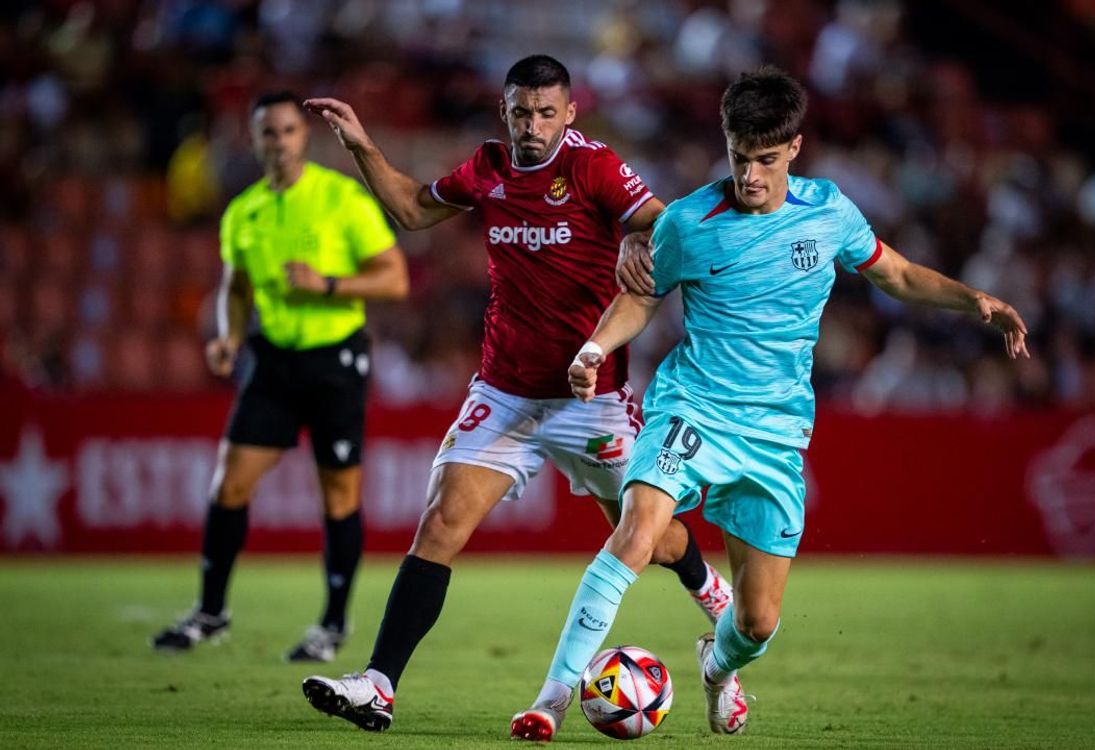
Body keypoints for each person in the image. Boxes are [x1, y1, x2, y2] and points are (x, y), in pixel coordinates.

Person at [510, 66, 1030, 741]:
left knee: (755, 623)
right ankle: (550, 699)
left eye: (763, 159)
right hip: (692, 407)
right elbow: (641, 297)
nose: (749, 175)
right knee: (636, 533)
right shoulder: (691, 222)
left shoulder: (831, 212)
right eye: (737, 157)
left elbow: (896, 274)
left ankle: (717, 667)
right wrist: (591, 351)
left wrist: (974, 301)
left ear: (793, 148)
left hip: (775, 433)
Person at [299, 55, 734, 732]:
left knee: (645, 536)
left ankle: (710, 591)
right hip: (504, 393)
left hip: (590, 397)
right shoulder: (489, 167)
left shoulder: (593, 167)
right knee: (440, 523)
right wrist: (363, 147)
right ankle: (378, 684)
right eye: (521, 113)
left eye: (545, 113)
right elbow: (413, 210)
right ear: (506, 112)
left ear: (570, 114)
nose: (532, 126)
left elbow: (665, 221)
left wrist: (640, 241)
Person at [150, 91, 409, 662]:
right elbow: (236, 287)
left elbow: (394, 279)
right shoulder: (244, 211)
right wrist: (229, 336)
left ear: (304, 136)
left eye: (289, 130)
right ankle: (211, 612)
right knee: (229, 485)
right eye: (269, 132)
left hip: (335, 358)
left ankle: (333, 624)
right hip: (271, 359)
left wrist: (330, 286)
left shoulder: (340, 198)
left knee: (339, 497)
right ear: (254, 139)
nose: (280, 141)